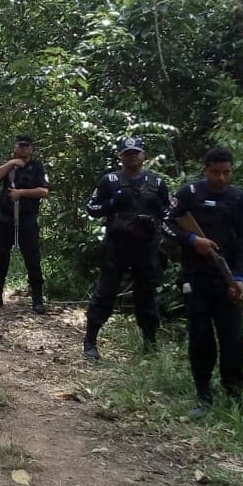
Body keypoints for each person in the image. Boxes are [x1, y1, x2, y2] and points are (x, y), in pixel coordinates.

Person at [164, 146, 243, 413]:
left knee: (234, 338)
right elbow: (167, 223)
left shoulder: (238, 198)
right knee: (201, 337)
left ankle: (233, 388)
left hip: (226, 279)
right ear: (205, 170)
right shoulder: (189, 193)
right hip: (196, 277)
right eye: (216, 172)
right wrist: (193, 240)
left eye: (226, 172)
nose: (221, 178)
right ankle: (203, 393)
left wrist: (239, 278)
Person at [83, 137, 171, 361]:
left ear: (143, 155)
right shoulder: (110, 180)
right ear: (121, 156)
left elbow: (170, 213)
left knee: (147, 296)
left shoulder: (156, 183)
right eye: (128, 153)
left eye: (136, 152)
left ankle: (150, 345)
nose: (132, 156)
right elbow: (92, 208)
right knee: (105, 293)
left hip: (146, 247)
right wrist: (113, 202)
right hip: (116, 246)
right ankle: (90, 341)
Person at [0, 135, 50, 313]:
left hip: (27, 219)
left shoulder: (37, 167)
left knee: (32, 260)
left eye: (27, 146)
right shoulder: (9, 167)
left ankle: (37, 300)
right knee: (0, 259)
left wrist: (22, 192)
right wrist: (12, 163)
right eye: (21, 146)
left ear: (32, 149)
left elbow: (44, 191)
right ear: (15, 147)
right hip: (5, 219)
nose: (24, 149)